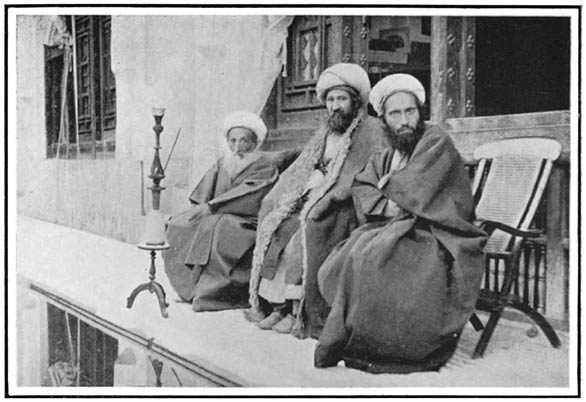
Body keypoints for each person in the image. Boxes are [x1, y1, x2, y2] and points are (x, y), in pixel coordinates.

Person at [314, 74, 487, 374]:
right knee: (350, 252)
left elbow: (419, 186)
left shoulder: (435, 140)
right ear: (384, 119)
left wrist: (392, 190)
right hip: (400, 226)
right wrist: (385, 202)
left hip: (441, 233)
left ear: (420, 113)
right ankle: (361, 336)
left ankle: (394, 345)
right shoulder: (388, 151)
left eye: (410, 111)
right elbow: (364, 184)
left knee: (373, 257)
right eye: (395, 114)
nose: (404, 120)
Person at [245, 63, 389, 338]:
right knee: (278, 224)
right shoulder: (324, 133)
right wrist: (282, 195)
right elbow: (302, 165)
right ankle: (278, 306)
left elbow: (368, 174)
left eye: (342, 99)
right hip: (312, 195)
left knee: (303, 234)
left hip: (344, 204)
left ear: (355, 101)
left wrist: (333, 192)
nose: (335, 106)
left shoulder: (372, 131)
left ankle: (297, 311)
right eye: (331, 100)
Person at [162, 111, 281, 312]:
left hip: (247, 221)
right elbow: (202, 195)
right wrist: (199, 210)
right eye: (232, 140)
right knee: (178, 223)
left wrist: (211, 207)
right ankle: (188, 289)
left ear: (254, 143)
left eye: (244, 141)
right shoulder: (223, 162)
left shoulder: (265, 166)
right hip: (216, 214)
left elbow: (250, 194)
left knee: (220, 227)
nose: (237, 147)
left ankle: (213, 295)